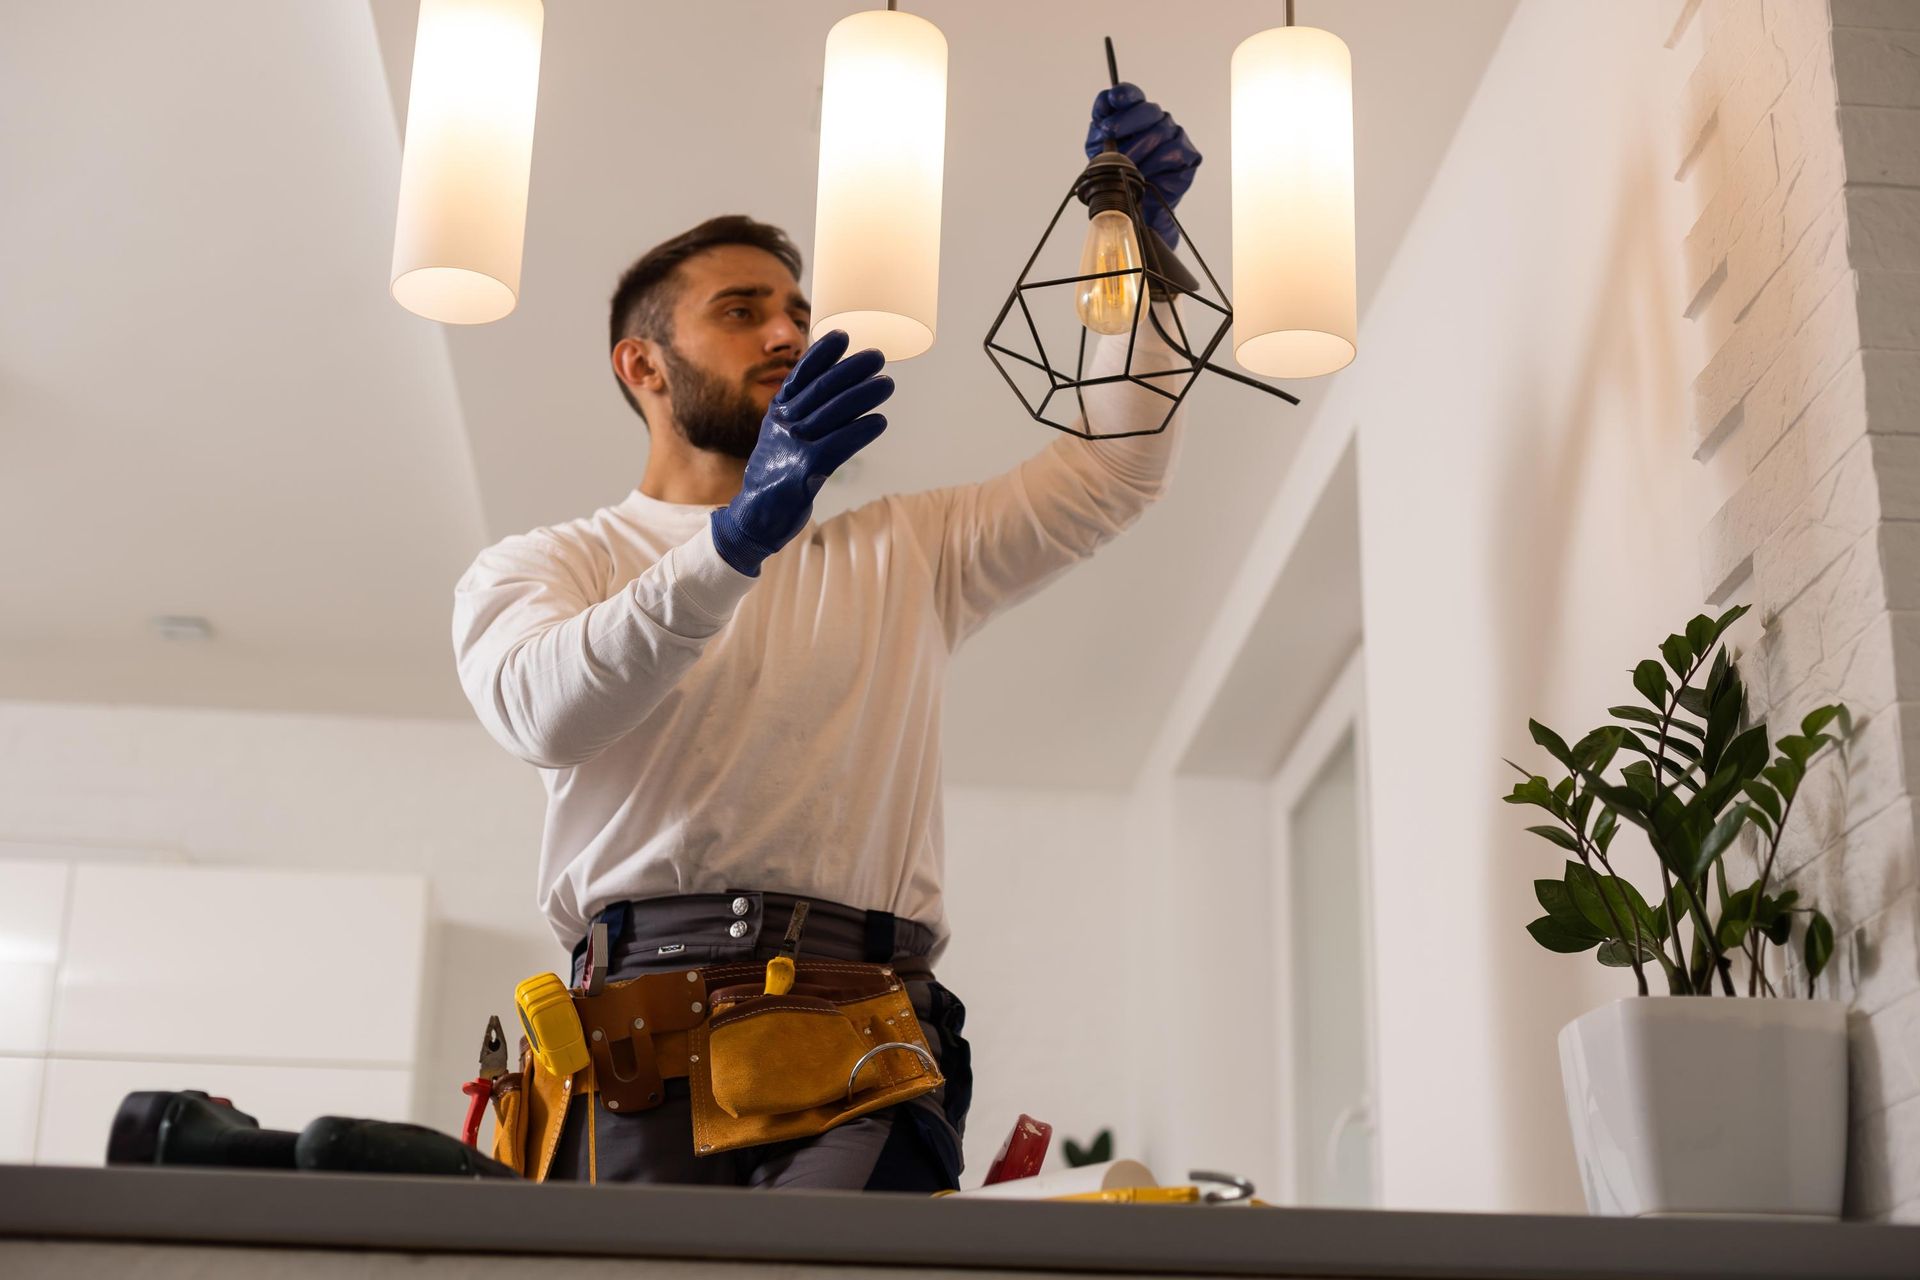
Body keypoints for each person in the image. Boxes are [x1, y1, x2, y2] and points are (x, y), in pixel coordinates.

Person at [451, 82, 1201, 1192]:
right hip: (635, 1051)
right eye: (743, 310)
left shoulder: (903, 551)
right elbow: (546, 708)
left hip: (870, 1036)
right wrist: (736, 540)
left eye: (796, 311)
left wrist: (1141, 261)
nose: (790, 333)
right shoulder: (547, 564)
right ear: (643, 365)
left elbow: (1113, 469)